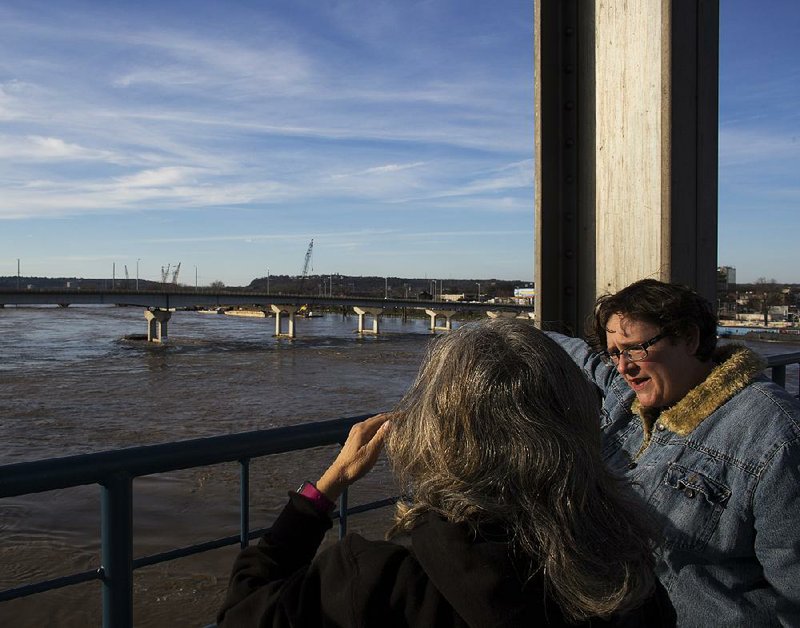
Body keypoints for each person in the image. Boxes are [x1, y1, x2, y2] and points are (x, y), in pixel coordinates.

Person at [217, 318, 674, 627]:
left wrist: (325, 489)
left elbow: (242, 612)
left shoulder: (374, 580)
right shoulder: (626, 573)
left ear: (433, 431)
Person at [548, 278, 800, 626]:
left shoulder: (775, 436)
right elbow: (570, 352)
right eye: (615, 353)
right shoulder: (628, 395)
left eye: (636, 348)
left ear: (689, 338)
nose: (623, 367)